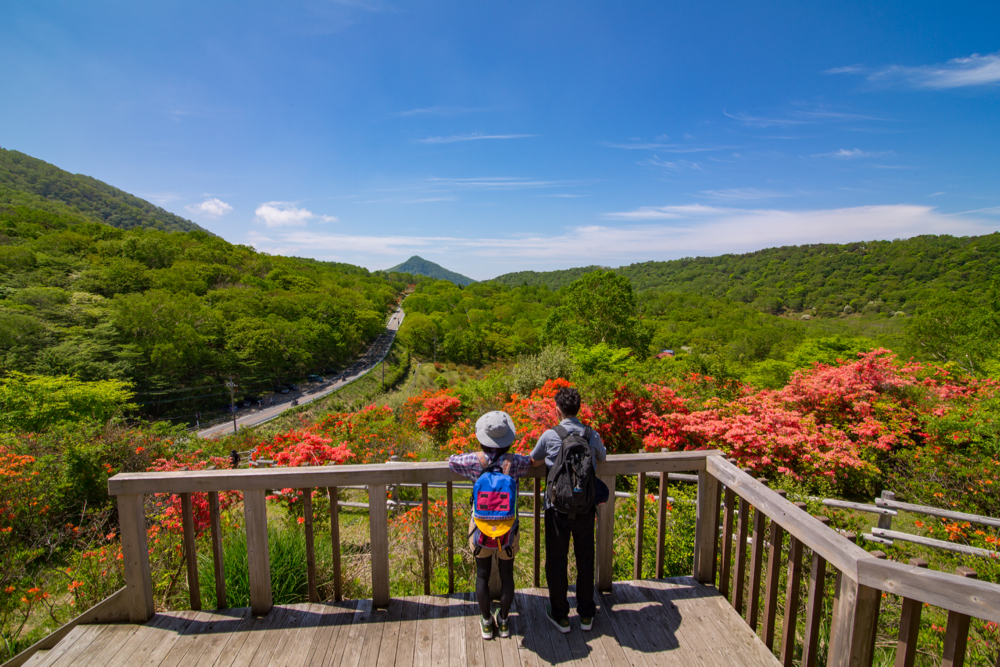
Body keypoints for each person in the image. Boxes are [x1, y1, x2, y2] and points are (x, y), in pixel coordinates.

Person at [449, 411, 532, 640]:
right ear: (508, 439)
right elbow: (531, 462)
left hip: (480, 528)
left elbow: (452, 461)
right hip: (508, 529)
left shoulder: (475, 461)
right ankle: (504, 622)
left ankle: (486, 622)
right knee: (507, 575)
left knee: (482, 575)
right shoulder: (515, 462)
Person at [530, 387, 606, 633]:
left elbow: (534, 460)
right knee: (585, 558)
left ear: (557, 410)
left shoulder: (550, 435)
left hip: (556, 508)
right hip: (585, 507)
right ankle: (586, 614)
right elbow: (602, 458)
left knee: (556, 560)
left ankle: (560, 615)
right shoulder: (590, 433)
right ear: (579, 409)